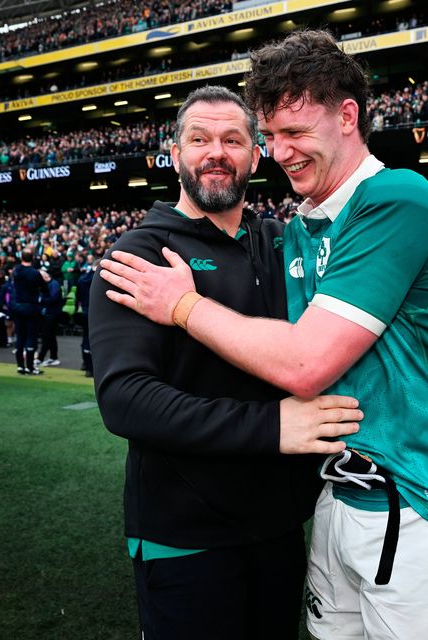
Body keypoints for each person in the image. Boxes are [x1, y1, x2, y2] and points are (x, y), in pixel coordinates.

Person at [99, 32, 428, 640]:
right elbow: (126, 397)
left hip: (423, 500)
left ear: (348, 116)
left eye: (289, 133)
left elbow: (307, 363)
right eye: (272, 135)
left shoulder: (393, 197)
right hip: (327, 505)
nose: (282, 151)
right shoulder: (295, 231)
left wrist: (182, 304)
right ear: (173, 152)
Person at [90, 85, 362, 640]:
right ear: (175, 155)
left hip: (281, 528)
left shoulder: (282, 244)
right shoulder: (139, 255)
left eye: (233, 139)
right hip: (185, 533)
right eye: (200, 139)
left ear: (255, 155)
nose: (216, 151)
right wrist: (272, 427)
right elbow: (125, 400)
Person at [11, 250, 49, 375]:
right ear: (32, 258)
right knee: (31, 336)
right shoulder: (34, 273)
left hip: (17, 306)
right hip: (31, 306)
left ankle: (20, 366)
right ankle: (30, 367)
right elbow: (44, 288)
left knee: (20, 336)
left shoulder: (16, 271)